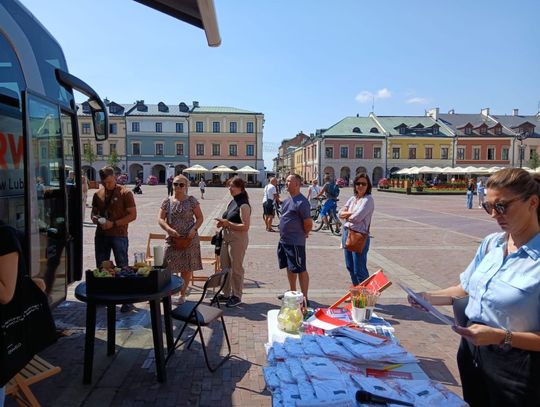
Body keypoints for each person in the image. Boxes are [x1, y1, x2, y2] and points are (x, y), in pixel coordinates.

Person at [408, 168, 540, 406]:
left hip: (517, 364)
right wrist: (426, 297)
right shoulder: (492, 244)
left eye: (502, 206)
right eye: (489, 207)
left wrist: (501, 336)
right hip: (472, 353)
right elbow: (465, 289)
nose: (494, 215)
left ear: (532, 202)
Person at [91, 166, 137, 312]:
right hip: (101, 235)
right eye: (104, 183)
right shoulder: (97, 194)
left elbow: (133, 215)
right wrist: (96, 219)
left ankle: (127, 300)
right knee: (102, 267)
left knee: (122, 267)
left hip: (119, 234)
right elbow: (93, 213)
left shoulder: (125, 193)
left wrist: (114, 223)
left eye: (109, 182)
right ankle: (103, 296)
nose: (107, 185)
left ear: (115, 177)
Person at [158, 174, 203, 304]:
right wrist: (169, 230)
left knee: (186, 268)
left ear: (186, 186)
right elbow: (160, 219)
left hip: (189, 239)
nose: (178, 186)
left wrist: (194, 230)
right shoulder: (167, 201)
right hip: (172, 238)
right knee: (166, 266)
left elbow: (200, 218)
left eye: (181, 184)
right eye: (175, 184)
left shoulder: (192, 201)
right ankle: (167, 293)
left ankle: (182, 295)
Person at [214, 177, 251, 308]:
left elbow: (245, 226)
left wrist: (228, 223)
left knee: (236, 268)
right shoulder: (233, 201)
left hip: (237, 239)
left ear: (240, 188)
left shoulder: (244, 205)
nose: (229, 188)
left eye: (232, 186)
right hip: (226, 239)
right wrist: (222, 224)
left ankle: (236, 295)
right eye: (229, 186)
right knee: (225, 267)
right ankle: (226, 293)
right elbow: (229, 219)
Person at [278, 174, 313, 304]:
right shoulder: (287, 200)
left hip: (295, 242)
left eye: (289, 181)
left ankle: (304, 298)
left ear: (297, 184)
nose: (286, 183)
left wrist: (305, 233)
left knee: (300, 269)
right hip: (284, 240)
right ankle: (292, 293)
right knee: (290, 267)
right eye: (286, 181)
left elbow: (308, 222)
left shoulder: (302, 202)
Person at [338, 173, 374, 285]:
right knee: (350, 266)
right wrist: (351, 213)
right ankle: (357, 292)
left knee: (359, 269)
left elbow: (356, 218)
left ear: (368, 185)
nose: (360, 186)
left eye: (363, 184)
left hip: (359, 236)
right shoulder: (353, 198)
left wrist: (347, 214)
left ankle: (366, 293)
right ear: (355, 185)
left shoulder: (368, 200)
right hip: (347, 233)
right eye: (358, 183)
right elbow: (339, 213)